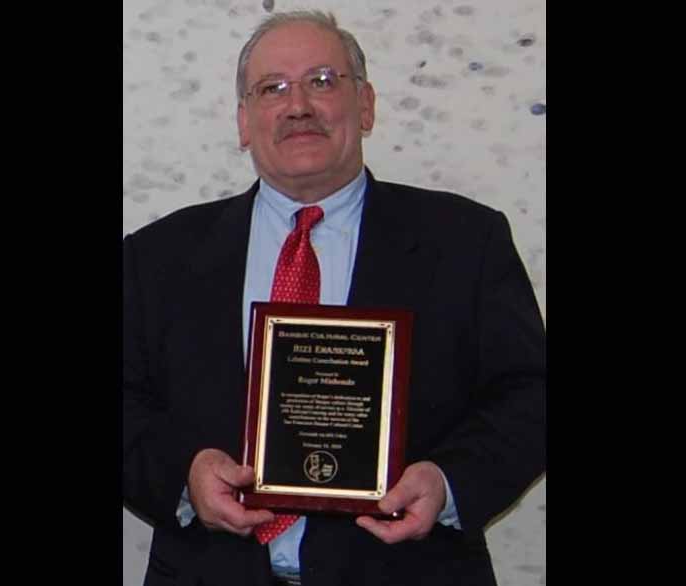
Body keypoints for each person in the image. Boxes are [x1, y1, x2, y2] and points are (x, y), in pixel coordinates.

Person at [123, 10, 545, 586]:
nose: (298, 105)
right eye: (272, 88)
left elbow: (530, 395)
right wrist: (184, 478)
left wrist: (449, 484)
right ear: (244, 121)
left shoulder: (467, 241)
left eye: (323, 81)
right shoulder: (155, 256)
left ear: (366, 106)